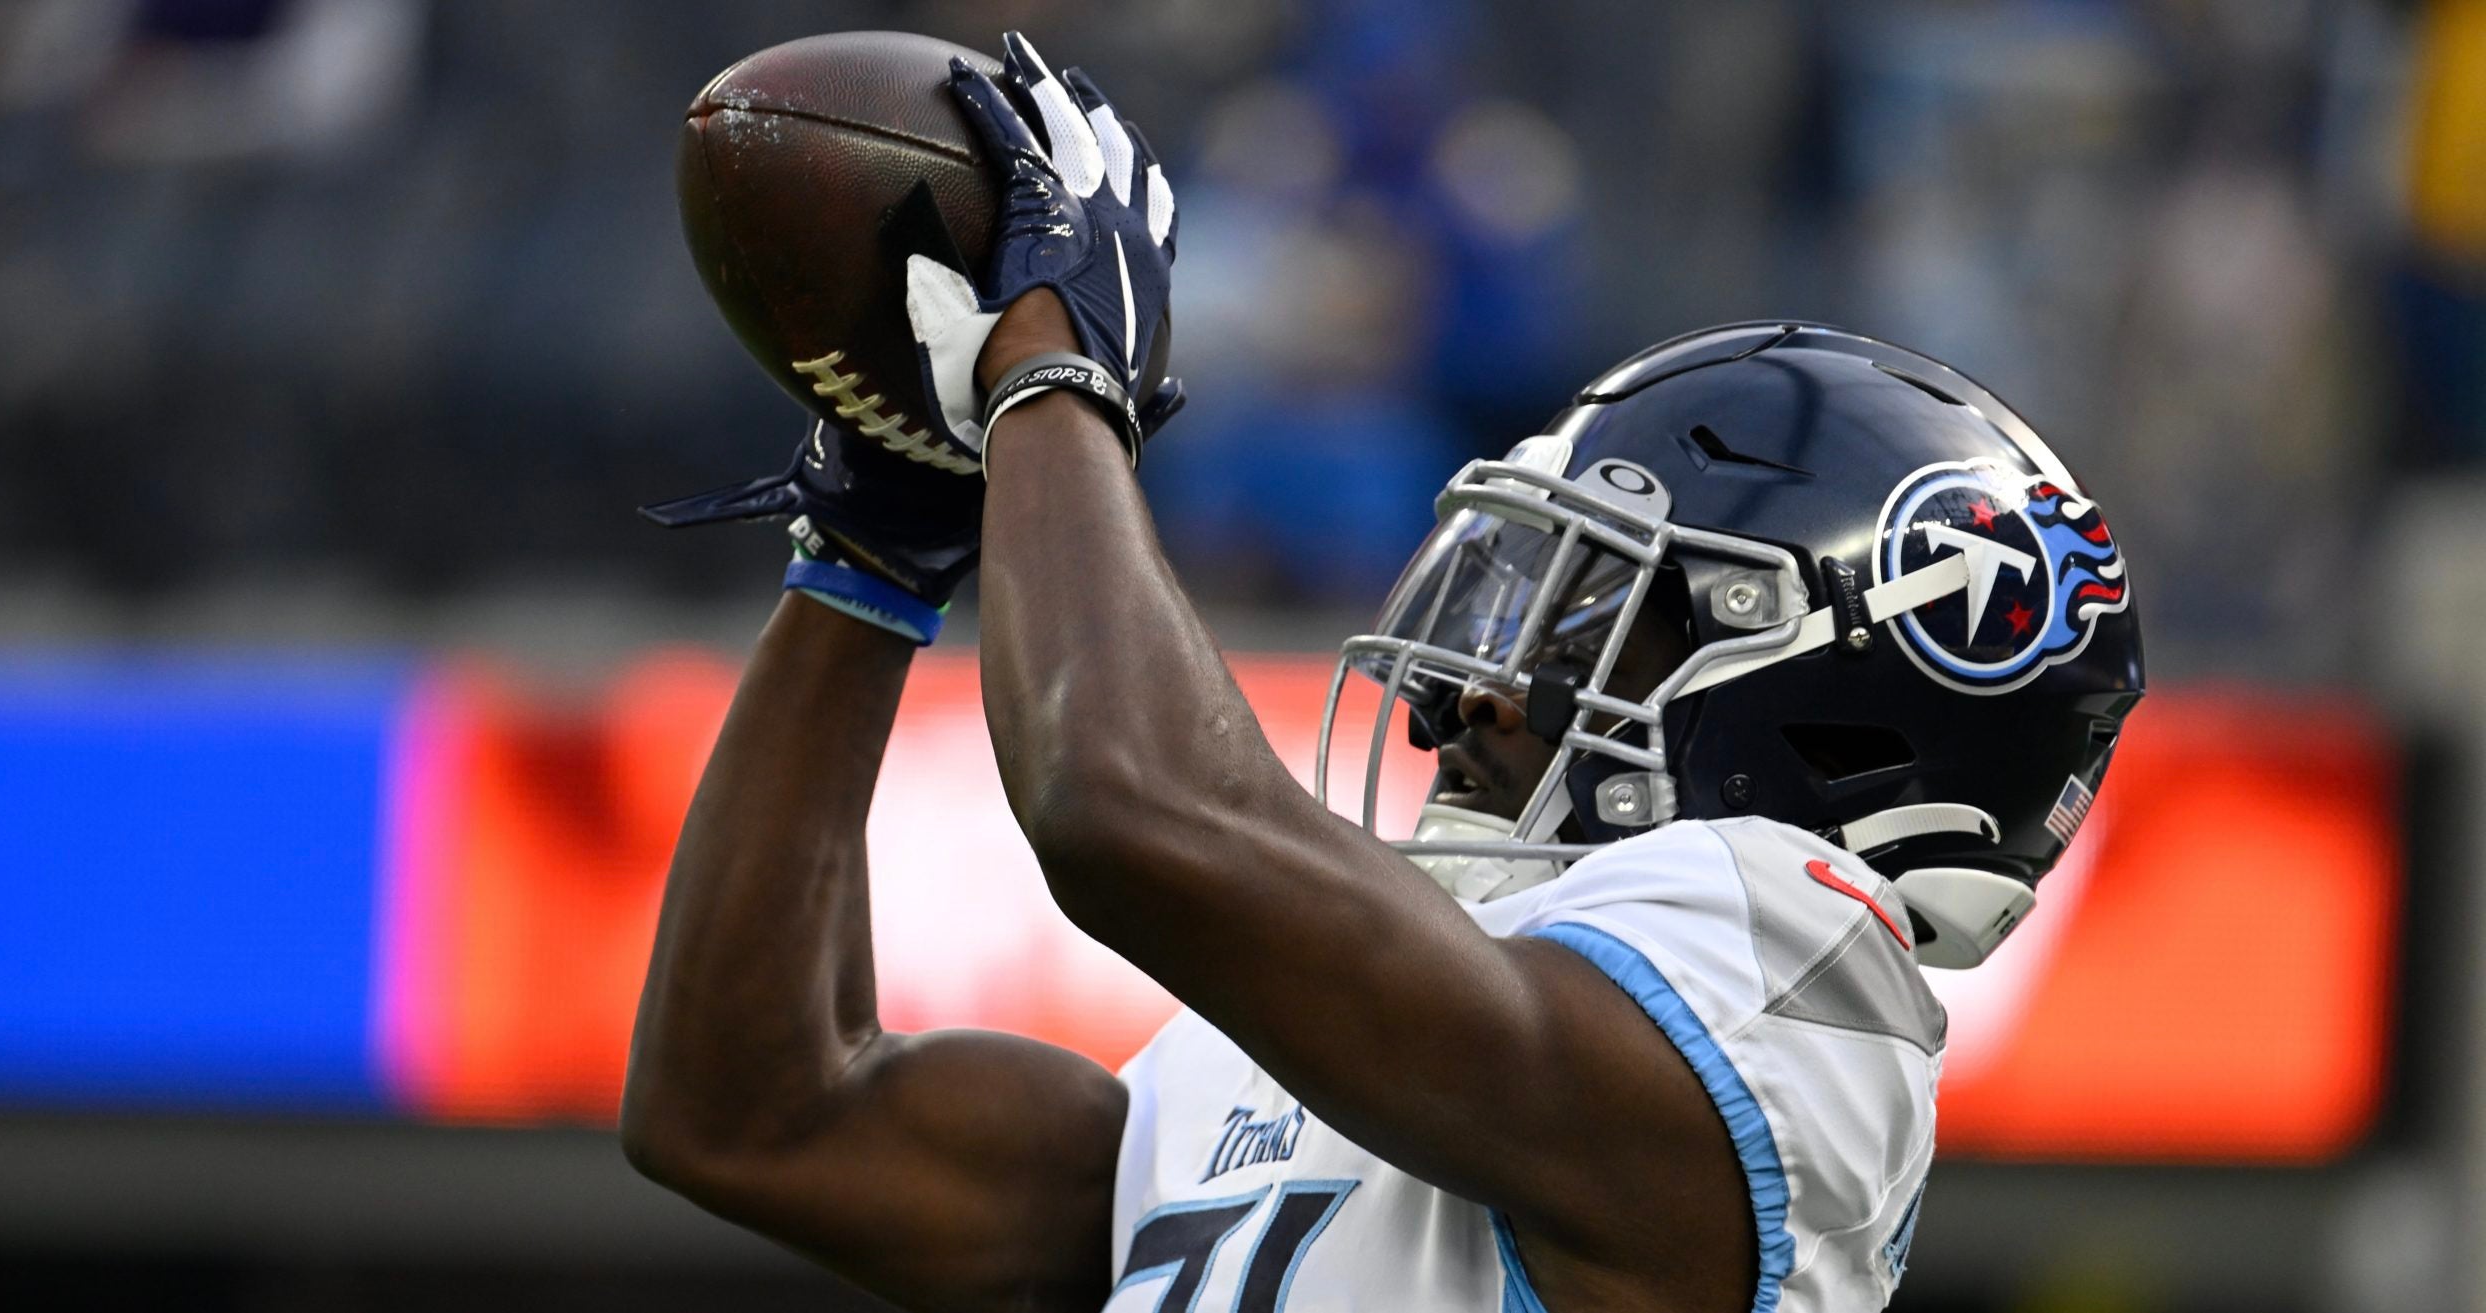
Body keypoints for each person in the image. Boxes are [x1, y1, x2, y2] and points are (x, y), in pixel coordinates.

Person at [619, 34, 2144, 1313]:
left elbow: (1118, 803)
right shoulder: (1366, 1039)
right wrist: (869, 560)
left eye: (1585, 616)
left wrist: (1053, 369)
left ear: (1815, 694)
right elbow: (752, 1110)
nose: (1468, 695)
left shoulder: (1792, 989)